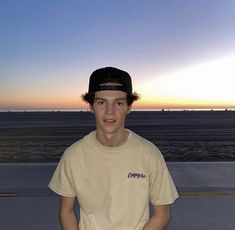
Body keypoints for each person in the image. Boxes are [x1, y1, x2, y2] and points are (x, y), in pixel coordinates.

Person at [49, 67, 178, 230]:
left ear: (128, 107)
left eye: (118, 103)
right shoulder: (73, 156)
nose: (110, 111)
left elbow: (162, 214)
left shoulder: (149, 154)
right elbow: (66, 212)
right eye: (101, 102)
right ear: (91, 106)